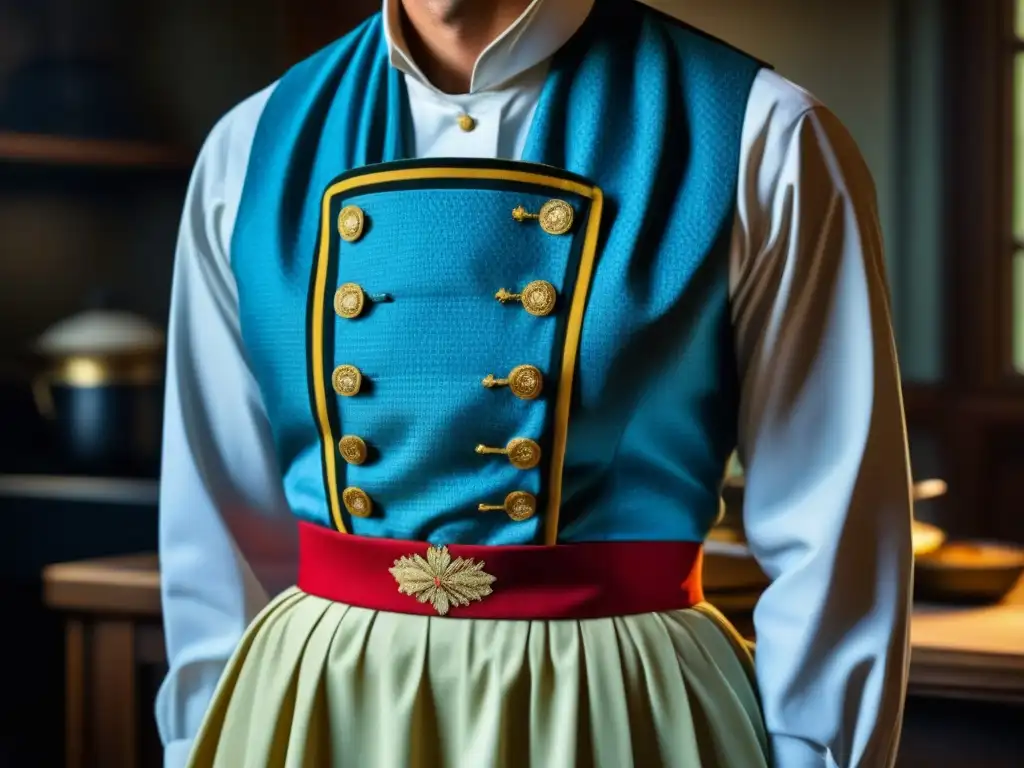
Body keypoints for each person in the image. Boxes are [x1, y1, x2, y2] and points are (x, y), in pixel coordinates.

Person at [155, 0, 914, 766]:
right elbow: (217, 525)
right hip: (319, 710)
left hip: (617, 715)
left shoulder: (764, 135)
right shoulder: (247, 148)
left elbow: (834, 532)